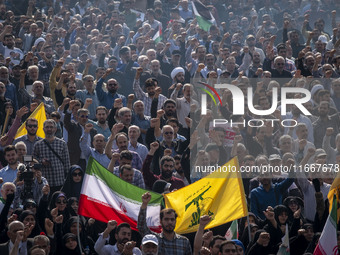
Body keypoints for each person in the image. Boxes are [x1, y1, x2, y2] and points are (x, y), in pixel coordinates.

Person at [33, 119, 70, 194]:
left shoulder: (62, 143)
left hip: (59, 180)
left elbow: (66, 162)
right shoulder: (38, 144)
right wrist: (41, 162)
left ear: (55, 129)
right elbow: (33, 160)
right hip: (45, 181)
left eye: (51, 127)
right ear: (43, 129)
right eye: (47, 127)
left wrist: (68, 178)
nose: (49, 129)